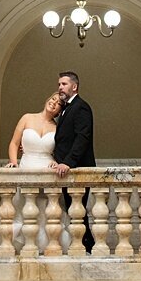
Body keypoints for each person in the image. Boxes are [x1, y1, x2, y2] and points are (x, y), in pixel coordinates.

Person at [52, 70, 96, 254]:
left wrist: (68, 162)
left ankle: (88, 246)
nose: (60, 87)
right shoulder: (66, 108)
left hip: (76, 168)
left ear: (74, 86)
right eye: (59, 84)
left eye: (64, 84)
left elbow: (82, 138)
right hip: (65, 168)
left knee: (78, 210)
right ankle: (84, 245)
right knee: (73, 210)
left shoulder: (81, 107)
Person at [6, 92, 61, 170]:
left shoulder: (58, 128)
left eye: (58, 103)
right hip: (26, 167)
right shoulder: (27, 118)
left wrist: (57, 162)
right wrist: (13, 162)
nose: (54, 102)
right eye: (53, 99)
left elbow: (61, 150)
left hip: (49, 170)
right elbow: (14, 143)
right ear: (47, 100)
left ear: (60, 111)